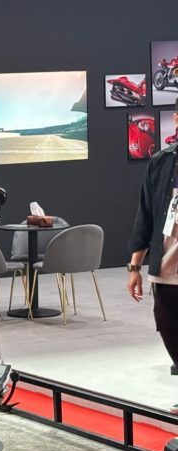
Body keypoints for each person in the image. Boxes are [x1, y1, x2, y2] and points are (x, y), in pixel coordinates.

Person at [127, 99, 178, 413]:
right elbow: (145, 216)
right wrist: (134, 266)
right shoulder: (161, 162)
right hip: (166, 270)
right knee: (171, 332)